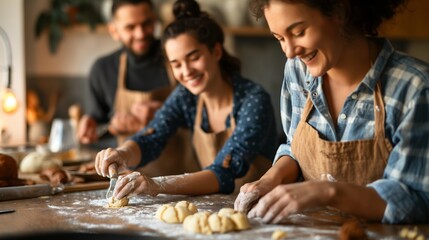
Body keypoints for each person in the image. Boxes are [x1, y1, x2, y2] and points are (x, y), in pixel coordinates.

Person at [234, 0, 429, 224]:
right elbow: (295, 147)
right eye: (279, 38)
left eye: (298, 32)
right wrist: (271, 178)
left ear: (341, 11)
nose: (289, 52)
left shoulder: (414, 89)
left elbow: (416, 199)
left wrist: (329, 192)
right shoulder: (297, 71)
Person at [95, 0, 278, 199]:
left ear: (216, 51)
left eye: (193, 57)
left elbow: (224, 172)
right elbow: (151, 138)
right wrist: (123, 153)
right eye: (176, 64)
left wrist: (156, 184)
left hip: (264, 208)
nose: (187, 71)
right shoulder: (187, 97)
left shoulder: (253, 100)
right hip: (216, 208)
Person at [77, 0, 171, 147]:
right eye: (130, 27)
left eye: (146, 24)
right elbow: (98, 135)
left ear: (154, 21)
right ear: (114, 31)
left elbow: (202, 117)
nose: (140, 34)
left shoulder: (177, 59)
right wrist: (92, 128)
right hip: (123, 168)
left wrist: (166, 114)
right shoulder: (102, 70)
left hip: (181, 168)